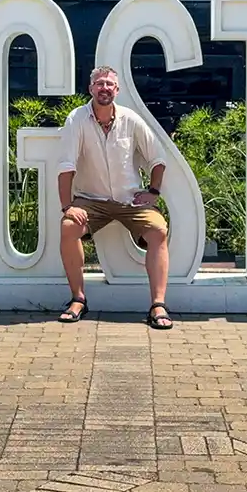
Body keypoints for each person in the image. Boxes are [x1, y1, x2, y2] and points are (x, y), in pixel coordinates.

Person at [56, 66, 173, 328]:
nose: (104, 88)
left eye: (109, 84)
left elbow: (158, 158)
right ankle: (78, 300)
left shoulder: (131, 119)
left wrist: (153, 191)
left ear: (117, 90)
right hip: (90, 200)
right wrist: (67, 206)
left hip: (129, 200)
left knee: (158, 230)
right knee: (68, 227)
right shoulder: (76, 119)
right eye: (99, 84)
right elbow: (65, 166)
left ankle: (158, 305)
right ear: (91, 89)